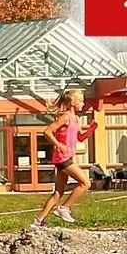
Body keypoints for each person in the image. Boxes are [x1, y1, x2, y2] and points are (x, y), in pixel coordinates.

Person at [31, 89, 98, 227]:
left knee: (58, 192)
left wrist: (90, 130)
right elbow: (47, 131)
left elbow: (80, 137)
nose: (83, 103)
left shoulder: (76, 119)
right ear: (72, 103)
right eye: (80, 101)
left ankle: (38, 221)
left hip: (67, 157)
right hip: (62, 158)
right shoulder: (65, 117)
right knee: (86, 183)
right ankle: (64, 208)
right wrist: (59, 145)